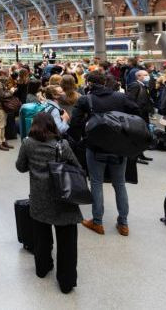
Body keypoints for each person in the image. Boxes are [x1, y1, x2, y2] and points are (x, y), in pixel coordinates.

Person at [16, 112, 81, 294]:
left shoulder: (28, 143)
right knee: (67, 241)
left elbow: (20, 167)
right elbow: (77, 168)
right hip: (63, 198)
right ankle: (66, 281)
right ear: (53, 125)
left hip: (39, 198)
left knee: (41, 236)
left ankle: (42, 268)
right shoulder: (62, 145)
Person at [69, 71, 139, 236]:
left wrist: (80, 138)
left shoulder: (86, 99)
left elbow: (75, 123)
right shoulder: (120, 97)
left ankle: (98, 222)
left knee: (96, 182)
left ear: (90, 84)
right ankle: (123, 223)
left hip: (95, 146)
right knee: (119, 184)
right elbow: (137, 111)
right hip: (119, 146)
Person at [126, 69, 155, 164]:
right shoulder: (135, 85)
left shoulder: (143, 85)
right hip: (138, 115)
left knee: (142, 136)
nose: (148, 76)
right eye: (145, 75)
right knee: (137, 136)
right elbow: (130, 100)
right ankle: (136, 156)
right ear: (138, 76)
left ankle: (141, 154)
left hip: (143, 114)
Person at [0, 69, 16, 151]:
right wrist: (11, 92)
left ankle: (3, 140)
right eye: (7, 74)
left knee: (3, 124)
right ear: (2, 74)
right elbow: (2, 95)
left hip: (2, 106)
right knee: (0, 125)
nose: (8, 76)